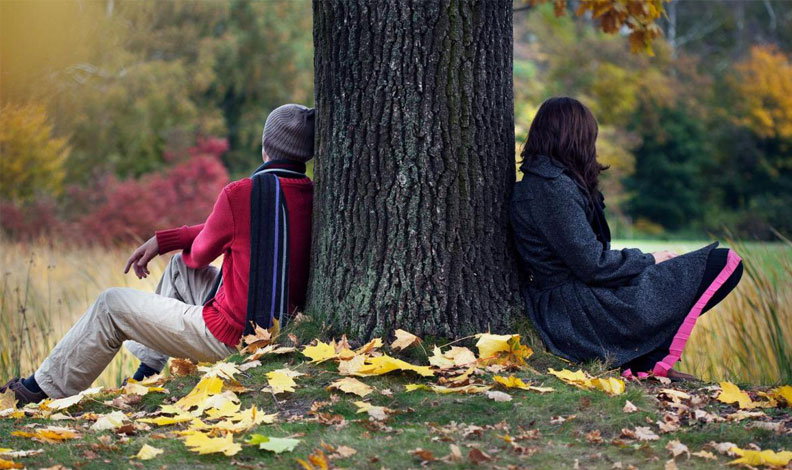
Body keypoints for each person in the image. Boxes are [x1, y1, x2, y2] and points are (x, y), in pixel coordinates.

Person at [1, 104, 316, 403]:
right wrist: (169, 241)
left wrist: (195, 243)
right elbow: (223, 236)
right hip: (282, 332)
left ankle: (38, 391)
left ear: (265, 148)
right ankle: (145, 375)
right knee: (180, 266)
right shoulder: (314, 195)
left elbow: (202, 253)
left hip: (231, 337)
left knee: (111, 305)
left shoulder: (241, 194)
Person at [510, 97, 743, 381]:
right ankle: (644, 359)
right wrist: (650, 259)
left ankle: (642, 357)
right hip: (573, 309)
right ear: (576, 137)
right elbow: (592, 264)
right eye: (589, 137)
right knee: (719, 262)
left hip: (583, 295)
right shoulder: (550, 188)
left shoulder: (554, 182)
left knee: (705, 266)